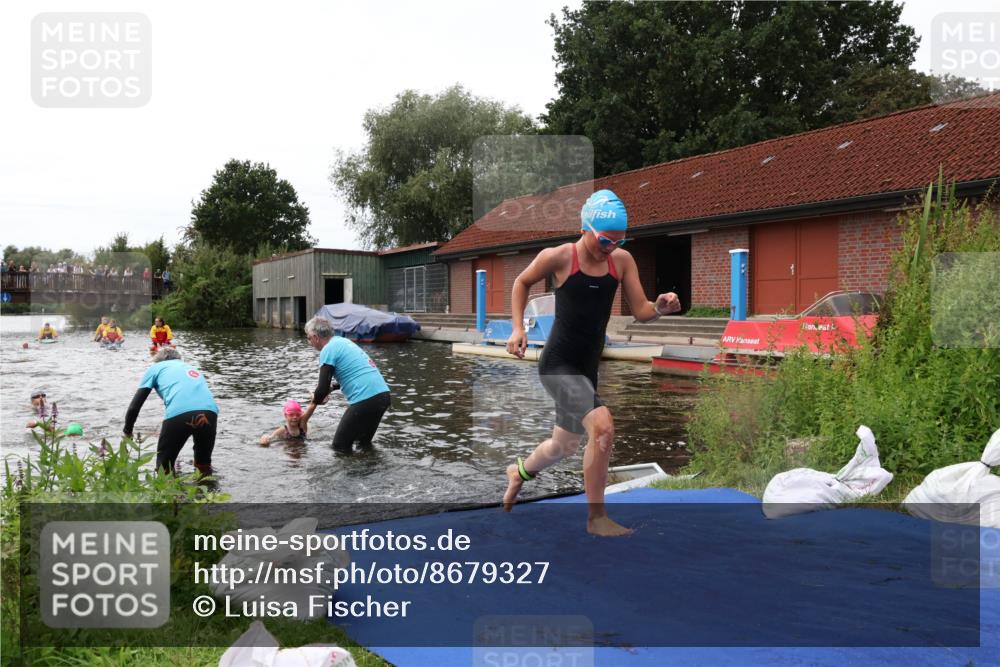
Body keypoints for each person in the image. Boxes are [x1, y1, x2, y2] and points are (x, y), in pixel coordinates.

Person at [502, 189, 681, 536]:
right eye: (604, 240)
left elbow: (642, 310)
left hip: (586, 368)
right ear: (585, 228)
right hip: (557, 364)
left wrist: (660, 308)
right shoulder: (559, 257)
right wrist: (515, 328)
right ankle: (596, 519)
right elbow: (521, 282)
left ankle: (518, 471)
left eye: (618, 241)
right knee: (603, 426)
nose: (609, 247)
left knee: (563, 446)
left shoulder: (622, 261)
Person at [299, 316, 391, 454]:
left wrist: (316, 401)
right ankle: (371, 472)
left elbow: (321, 390)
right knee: (363, 443)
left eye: (308, 338)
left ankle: (349, 475)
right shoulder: (343, 341)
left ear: (315, 337)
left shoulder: (328, 349)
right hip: (383, 397)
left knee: (339, 446)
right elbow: (355, 372)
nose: (309, 342)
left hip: (366, 400)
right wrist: (333, 388)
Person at [123, 347, 219, 475]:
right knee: (203, 466)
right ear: (178, 358)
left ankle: (171, 494)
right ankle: (207, 492)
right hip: (210, 412)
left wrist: (127, 431)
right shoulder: (190, 367)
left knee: (163, 469)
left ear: (158, 360)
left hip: (179, 413)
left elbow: (135, 406)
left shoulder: (155, 368)